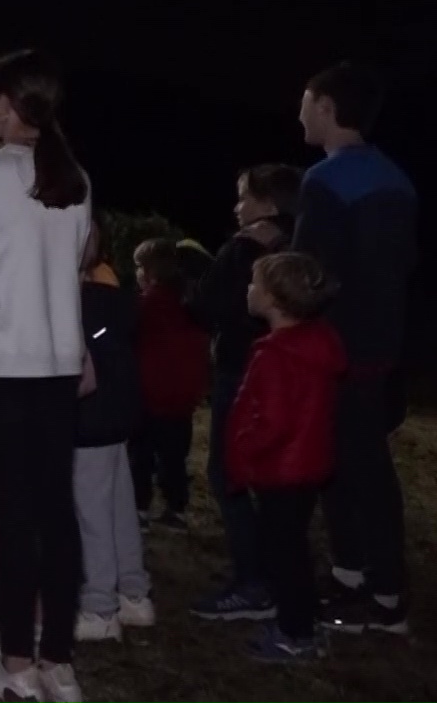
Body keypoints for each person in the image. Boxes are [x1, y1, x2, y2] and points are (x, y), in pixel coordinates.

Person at [0, 49, 90, 703]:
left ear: (5, 105)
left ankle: (16, 666)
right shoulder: (73, 178)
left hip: (1, 367)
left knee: (11, 517)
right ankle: (57, 659)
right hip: (57, 366)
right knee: (56, 513)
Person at [292, 62, 417, 635]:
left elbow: (307, 273)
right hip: (382, 345)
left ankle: (385, 598)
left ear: (325, 107)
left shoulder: (326, 180)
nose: (299, 114)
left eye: (305, 102)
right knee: (352, 461)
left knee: (358, 468)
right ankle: (349, 576)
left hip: (338, 347)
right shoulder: (394, 178)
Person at [188, 163, 300, 620]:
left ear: (268, 204)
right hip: (285, 370)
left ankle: (253, 583)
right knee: (275, 479)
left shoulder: (243, 249)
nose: (237, 207)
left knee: (227, 473)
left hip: (241, 371)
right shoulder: (299, 244)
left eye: (244, 197)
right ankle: (277, 572)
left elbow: (205, 306)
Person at [228, 252, 347, 661]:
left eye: (254, 284)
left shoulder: (275, 355)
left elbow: (272, 421)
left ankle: (295, 634)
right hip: (307, 463)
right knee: (293, 546)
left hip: (280, 467)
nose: (248, 290)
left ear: (274, 299)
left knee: (282, 551)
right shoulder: (315, 345)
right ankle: (305, 619)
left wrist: (244, 447)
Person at [72, 217, 152, 642]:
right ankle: (134, 594)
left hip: (90, 420)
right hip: (118, 417)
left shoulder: (79, 305)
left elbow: (82, 376)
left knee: (92, 513)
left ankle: (100, 606)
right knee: (118, 505)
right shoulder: (115, 298)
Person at [129, 239, 209, 529]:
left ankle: (139, 508)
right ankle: (176, 508)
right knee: (174, 456)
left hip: (150, 394)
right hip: (182, 397)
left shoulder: (146, 305)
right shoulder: (190, 303)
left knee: (140, 455)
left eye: (139, 266)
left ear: (149, 271)